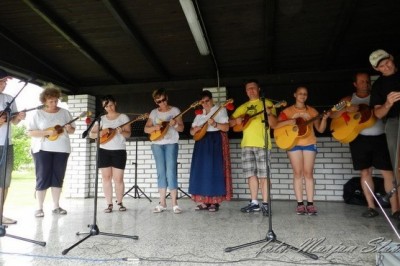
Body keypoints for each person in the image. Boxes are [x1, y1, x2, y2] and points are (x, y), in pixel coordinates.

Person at [331, 72, 400, 218]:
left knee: (388, 173)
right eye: (362, 82)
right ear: (355, 84)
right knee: (365, 172)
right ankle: (371, 207)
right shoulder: (348, 99)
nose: (366, 84)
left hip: (381, 137)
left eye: (367, 81)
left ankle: (395, 209)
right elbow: (332, 114)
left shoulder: (377, 95)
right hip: (359, 139)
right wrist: (345, 109)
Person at [275, 86, 329, 215]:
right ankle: (300, 204)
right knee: (298, 173)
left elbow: (320, 130)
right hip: (293, 144)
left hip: (309, 143)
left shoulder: (312, 111)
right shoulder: (287, 111)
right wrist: (291, 121)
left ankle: (310, 204)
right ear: (295, 95)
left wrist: (325, 119)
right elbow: (276, 125)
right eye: (300, 93)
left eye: (305, 94)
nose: (303, 96)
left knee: (308, 173)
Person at [229, 80, 277, 215]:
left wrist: (269, 113)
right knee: (251, 175)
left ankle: (266, 204)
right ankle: (254, 203)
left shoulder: (267, 103)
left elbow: (274, 124)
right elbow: (230, 123)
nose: (251, 90)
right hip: (246, 144)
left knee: (264, 176)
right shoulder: (243, 107)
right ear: (246, 91)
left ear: (259, 89)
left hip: (262, 143)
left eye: (253, 88)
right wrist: (236, 121)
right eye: (248, 89)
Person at [28, 85, 75, 217]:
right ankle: (39, 208)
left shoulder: (65, 113)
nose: (54, 103)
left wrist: (69, 128)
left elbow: (72, 131)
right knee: (42, 176)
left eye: (56, 100)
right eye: (51, 101)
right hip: (42, 149)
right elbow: (30, 132)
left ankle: (56, 206)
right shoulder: (37, 113)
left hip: (62, 149)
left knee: (58, 177)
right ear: (44, 101)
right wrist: (47, 132)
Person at [369, 49, 400, 222]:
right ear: (377, 69)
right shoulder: (379, 85)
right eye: (381, 65)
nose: (385, 66)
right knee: (398, 167)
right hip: (395, 123)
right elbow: (378, 114)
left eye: (387, 62)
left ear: (392, 58)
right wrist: (388, 103)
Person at [189, 90, 232, 212]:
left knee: (214, 170)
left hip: (215, 141)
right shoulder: (199, 114)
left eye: (207, 101)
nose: (205, 103)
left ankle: (214, 202)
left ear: (212, 99)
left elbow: (226, 127)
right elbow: (192, 132)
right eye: (202, 102)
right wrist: (195, 129)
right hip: (201, 142)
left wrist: (215, 124)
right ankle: (203, 201)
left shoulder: (220, 109)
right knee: (201, 171)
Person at [144, 88, 184, 214]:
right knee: (161, 172)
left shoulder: (175, 110)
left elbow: (182, 129)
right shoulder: (154, 113)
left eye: (163, 99)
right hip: (157, 144)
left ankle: (175, 204)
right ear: (156, 102)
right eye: (159, 101)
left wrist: (175, 125)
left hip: (171, 143)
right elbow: (146, 129)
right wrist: (155, 127)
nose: (162, 103)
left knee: (171, 171)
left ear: (167, 97)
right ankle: (162, 203)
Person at [89, 95, 131, 213]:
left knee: (118, 178)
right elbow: (92, 135)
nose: (109, 108)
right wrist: (101, 131)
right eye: (106, 106)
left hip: (119, 150)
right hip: (103, 150)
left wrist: (122, 132)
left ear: (115, 103)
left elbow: (128, 134)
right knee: (106, 177)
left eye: (111, 105)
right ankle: (109, 204)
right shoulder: (101, 119)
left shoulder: (123, 117)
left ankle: (120, 202)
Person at [0, 69, 26, 224]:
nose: (4, 85)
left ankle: (0, 214)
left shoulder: (9, 99)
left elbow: (14, 121)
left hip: (7, 144)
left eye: (4, 82)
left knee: (4, 181)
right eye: (1, 82)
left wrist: (20, 118)